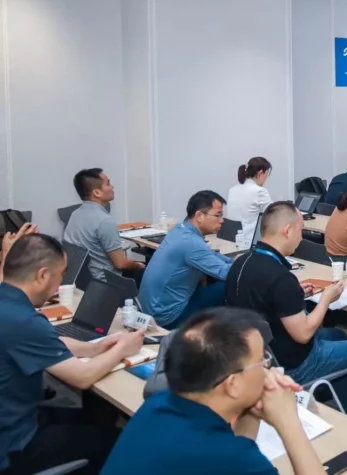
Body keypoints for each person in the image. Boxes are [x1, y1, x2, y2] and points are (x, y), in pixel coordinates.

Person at [101, 308, 324, 475]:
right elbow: (234, 457)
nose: (268, 368)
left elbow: (239, 444)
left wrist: (251, 409)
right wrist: (288, 420)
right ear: (232, 383)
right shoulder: (230, 459)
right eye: (262, 361)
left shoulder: (158, 404)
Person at [1, 233, 145, 474]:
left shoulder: (9, 301)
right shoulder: (24, 320)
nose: (59, 285)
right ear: (43, 275)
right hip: (13, 447)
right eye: (61, 275)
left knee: (96, 413)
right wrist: (123, 347)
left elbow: (51, 339)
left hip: (16, 417)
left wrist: (97, 347)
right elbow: (83, 377)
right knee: (115, 441)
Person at [226, 202, 347, 413]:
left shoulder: (242, 261)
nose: (301, 237)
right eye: (301, 231)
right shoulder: (280, 277)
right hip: (296, 364)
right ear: (287, 231)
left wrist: (296, 294)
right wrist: (326, 298)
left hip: (261, 353)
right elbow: (303, 334)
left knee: (337, 334)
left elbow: (265, 300)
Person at [138, 191, 232, 329]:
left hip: (151, 309)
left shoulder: (180, 230)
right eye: (218, 215)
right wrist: (244, 265)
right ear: (199, 216)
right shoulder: (191, 243)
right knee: (231, 284)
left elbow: (210, 255)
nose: (222, 220)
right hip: (167, 317)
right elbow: (226, 273)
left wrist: (235, 262)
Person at [63, 168, 145, 284]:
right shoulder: (104, 221)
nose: (112, 187)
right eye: (108, 183)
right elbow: (120, 263)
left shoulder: (75, 214)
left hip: (82, 281)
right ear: (97, 192)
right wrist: (137, 265)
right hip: (105, 282)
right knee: (152, 272)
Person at [225, 157, 272, 248]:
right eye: (267, 174)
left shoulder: (233, 190)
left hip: (233, 240)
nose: (266, 178)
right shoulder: (260, 191)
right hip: (250, 242)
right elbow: (273, 216)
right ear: (260, 173)